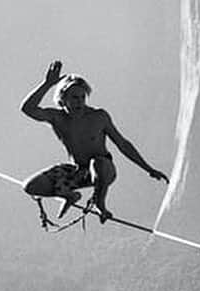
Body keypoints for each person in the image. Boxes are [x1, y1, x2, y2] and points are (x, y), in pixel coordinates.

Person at [20, 60, 169, 225]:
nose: (79, 102)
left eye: (82, 97)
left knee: (97, 163)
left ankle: (100, 204)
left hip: (103, 170)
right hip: (77, 171)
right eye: (74, 98)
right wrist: (47, 84)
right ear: (63, 99)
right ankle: (69, 195)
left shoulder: (99, 116)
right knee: (30, 186)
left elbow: (122, 144)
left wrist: (148, 169)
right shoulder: (57, 117)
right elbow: (28, 109)